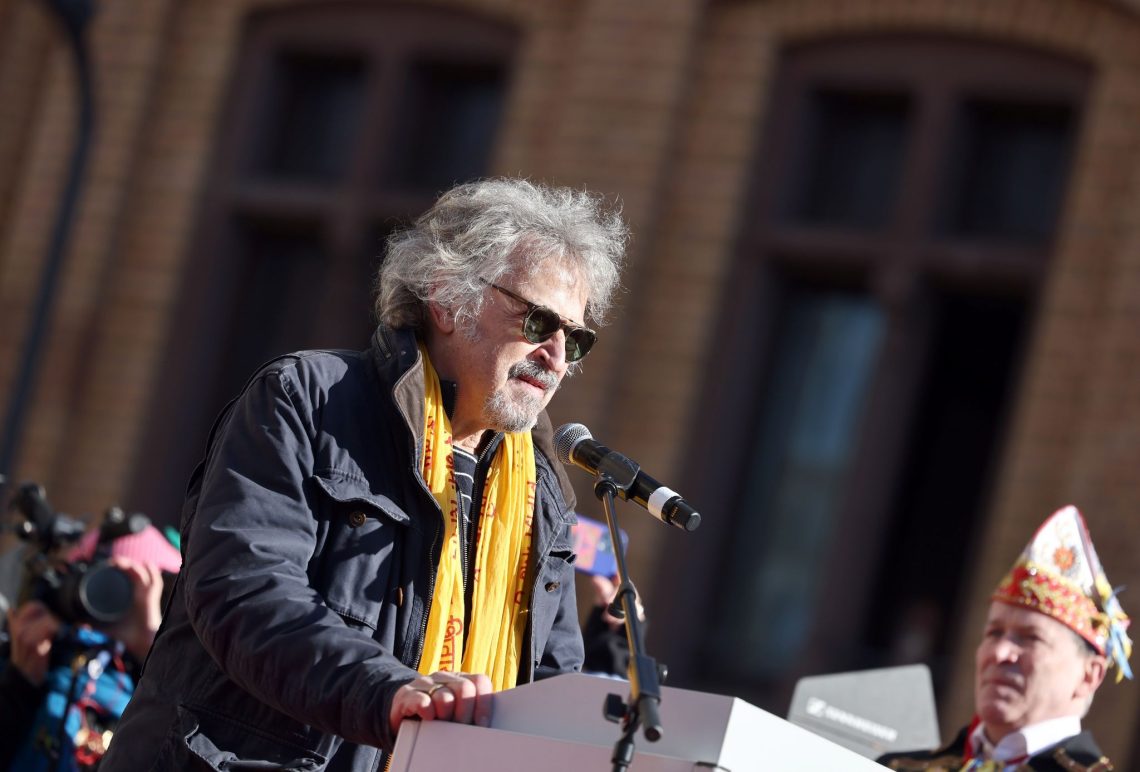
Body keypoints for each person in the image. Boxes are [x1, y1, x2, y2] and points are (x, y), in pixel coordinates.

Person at [99, 178, 628, 771]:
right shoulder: (307, 401)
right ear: (446, 297)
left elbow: (548, 691)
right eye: (537, 323)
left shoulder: (542, 492)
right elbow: (245, 591)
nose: (555, 355)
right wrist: (389, 692)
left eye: (574, 339)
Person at [879, 505, 1132, 771]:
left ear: (1089, 675)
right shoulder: (899, 765)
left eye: (1031, 638)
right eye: (994, 632)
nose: (999, 652)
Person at [0, 523, 180, 771]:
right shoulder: (24, 654)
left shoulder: (158, 686)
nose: (107, 606)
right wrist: (20, 684)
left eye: (133, 594)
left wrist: (152, 654)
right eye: (103, 587)